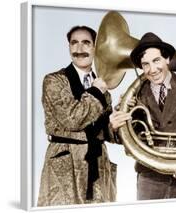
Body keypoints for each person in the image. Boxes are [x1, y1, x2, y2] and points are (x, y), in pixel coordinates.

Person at [110, 32, 176, 200]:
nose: (152, 70)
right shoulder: (134, 95)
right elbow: (127, 139)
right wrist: (116, 127)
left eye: (156, 60)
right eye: (145, 64)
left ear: (167, 59)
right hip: (149, 177)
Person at [37, 26, 117, 206]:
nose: (79, 49)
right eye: (74, 43)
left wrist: (116, 125)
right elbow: (72, 119)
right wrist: (97, 91)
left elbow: (106, 133)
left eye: (86, 43)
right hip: (65, 163)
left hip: (97, 163)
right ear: (69, 48)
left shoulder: (102, 88)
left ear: (96, 48)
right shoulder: (54, 81)